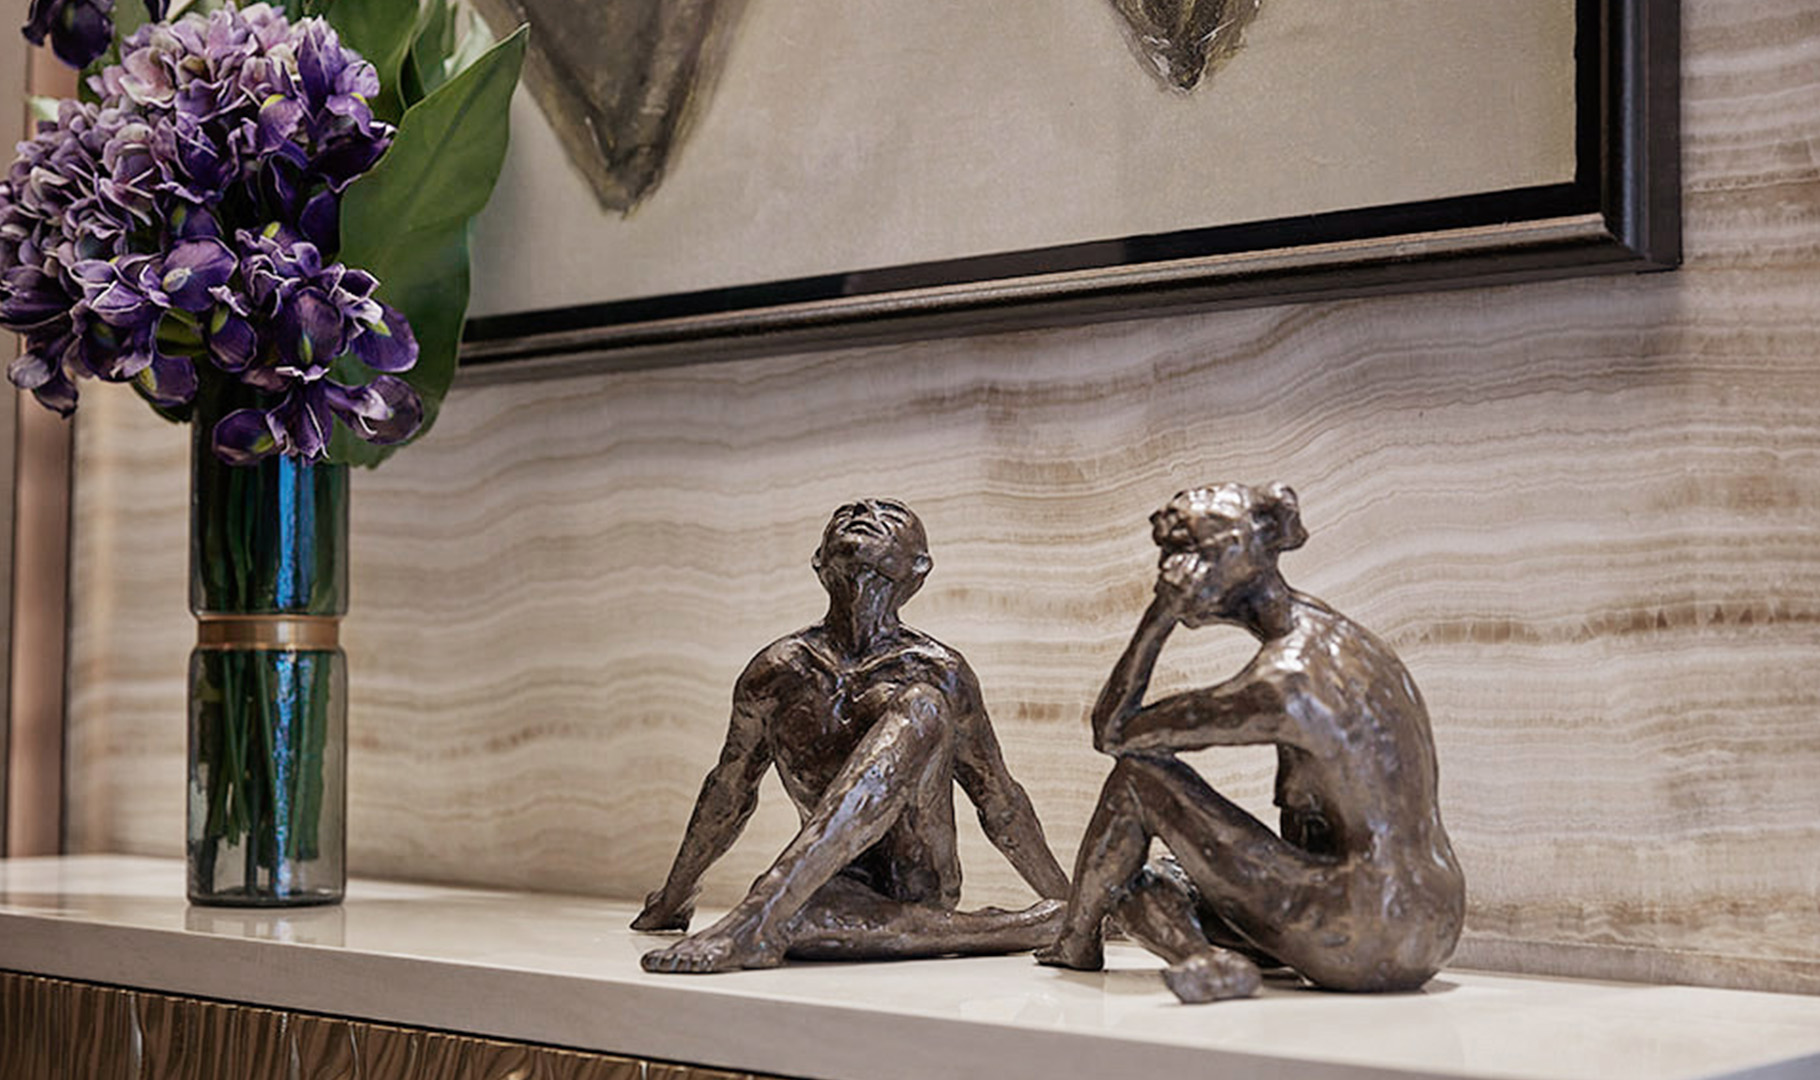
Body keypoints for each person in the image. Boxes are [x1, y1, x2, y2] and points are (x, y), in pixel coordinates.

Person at [1037, 483, 1465, 1003]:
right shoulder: (1341, 639)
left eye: (1184, 554)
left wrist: (1160, 616)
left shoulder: (1284, 680)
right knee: (1165, 880)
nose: (1169, 571)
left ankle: (1088, 944)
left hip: (1360, 925)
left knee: (1135, 786)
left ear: (1233, 562)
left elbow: (1114, 733)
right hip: (1432, 920)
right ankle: (1205, 953)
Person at [634, 499, 1070, 972]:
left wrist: (1077, 903)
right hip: (827, 887)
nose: (862, 511)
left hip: (911, 880)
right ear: (819, 561)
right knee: (802, 922)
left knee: (922, 704)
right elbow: (729, 789)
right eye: (846, 516)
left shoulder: (939, 671)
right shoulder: (778, 671)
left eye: (889, 516)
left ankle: (762, 911)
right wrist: (674, 899)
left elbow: (1000, 801)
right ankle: (1025, 926)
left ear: (919, 570)